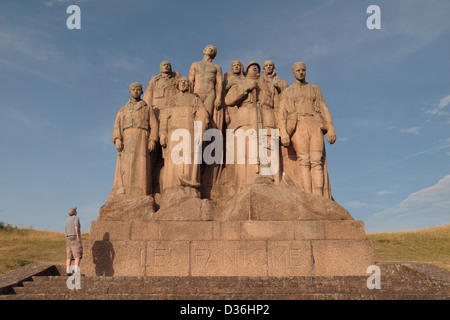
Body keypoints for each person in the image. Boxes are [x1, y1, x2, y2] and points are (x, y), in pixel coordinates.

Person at [278, 62, 336, 199]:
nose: (301, 72)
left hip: (315, 124)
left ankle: (319, 196)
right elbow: (281, 115)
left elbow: (324, 108)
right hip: (298, 126)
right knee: (304, 160)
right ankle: (308, 196)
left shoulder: (315, 89)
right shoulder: (287, 92)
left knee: (317, 161)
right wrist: (283, 132)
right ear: (293, 73)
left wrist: (331, 127)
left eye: (303, 70)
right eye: (298, 70)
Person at [224, 61, 279, 191]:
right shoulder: (240, 83)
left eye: (256, 68)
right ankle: (244, 186)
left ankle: (272, 182)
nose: (254, 69)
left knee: (269, 149)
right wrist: (245, 89)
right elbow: (229, 100)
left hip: (266, 116)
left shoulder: (269, 85)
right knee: (245, 151)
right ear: (247, 70)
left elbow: (277, 106)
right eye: (251, 67)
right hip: (246, 116)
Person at [106, 82, 158, 203]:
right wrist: (117, 139)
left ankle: (141, 193)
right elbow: (117, 126)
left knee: (141, 164)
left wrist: (152, 139)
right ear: (129, 92)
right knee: (125, 166)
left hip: (142, 138)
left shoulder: (147, 108)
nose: (136, 91)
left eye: (138, 89)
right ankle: (124, 193)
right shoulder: (123, 109)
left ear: (142, 92)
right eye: (133, 89)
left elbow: (154, 125)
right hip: (127, 138)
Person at [159, 77, 209, 196]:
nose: (183, 84)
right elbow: (164, 118)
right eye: (181, 82)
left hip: (189, 131)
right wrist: (162, 133)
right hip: (173, 133)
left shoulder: (195, 100)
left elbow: (202, 116)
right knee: (173, 159)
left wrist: (200, 131)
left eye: (186, 82)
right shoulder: (171, 100)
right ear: (177, 85)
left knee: (189, 159)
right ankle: (172, 185)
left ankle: (189, 184)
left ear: (189, 86)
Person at [142, 61, 181, 193]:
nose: (166, 66)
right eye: (163, 64)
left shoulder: (176, 79)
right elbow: (147, 99)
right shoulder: (155, 80)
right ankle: (149, 184)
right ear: (159, 68)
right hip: (157, 114)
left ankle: (170, 180)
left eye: (168, 64)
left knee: (169, 147)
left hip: (171, 116)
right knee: (153, 148)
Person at [65, 206, 82, 275]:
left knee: (69, 256)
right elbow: (76, 226)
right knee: (77, 255)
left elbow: (65, 230)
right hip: (74, 237)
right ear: (74, 212)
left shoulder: (67, 220)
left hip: (68, 237)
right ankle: (76, 271)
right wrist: (78, 236)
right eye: (76, 211)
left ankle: (68, 271)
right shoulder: (76, 218)